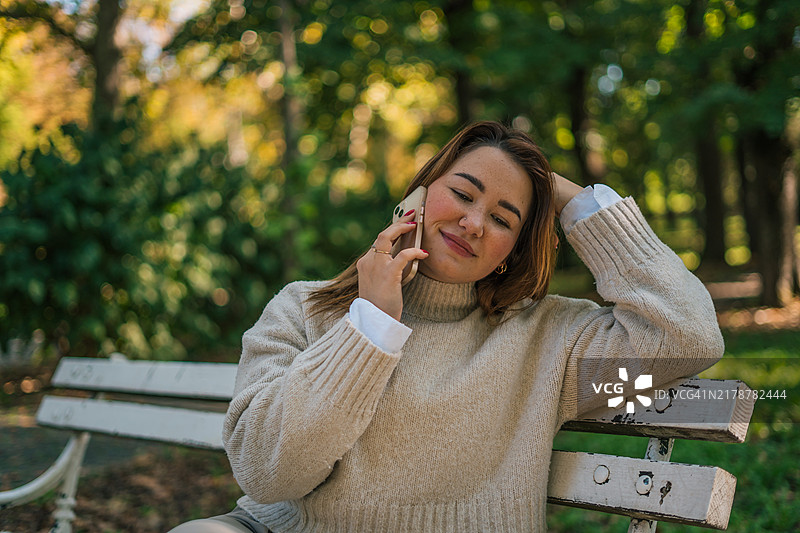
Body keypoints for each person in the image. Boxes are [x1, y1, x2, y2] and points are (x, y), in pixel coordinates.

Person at [169, 121, 724, 533]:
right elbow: (268, 476)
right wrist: (370, 325)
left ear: (513, 249)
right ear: (419, 194)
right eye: (462, 193)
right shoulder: (305, 310)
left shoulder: (549, 341)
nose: (474, 222)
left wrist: (569, 198)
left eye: (505, 218)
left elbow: (688, 336)